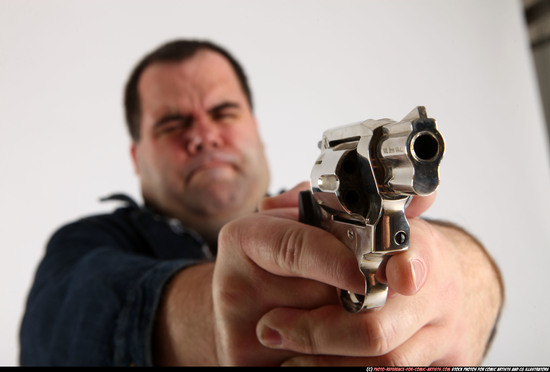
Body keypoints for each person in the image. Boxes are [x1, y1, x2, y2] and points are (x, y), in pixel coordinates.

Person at [19, 39, 504, 366]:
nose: (204, 135)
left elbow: (430, 257)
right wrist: (216, 313)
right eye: (173, 124)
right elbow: (59, 325)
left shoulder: (328, 208)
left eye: (223, 112)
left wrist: (468, 277)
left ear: (257, 131)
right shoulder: (86, 245)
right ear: (135, 155)